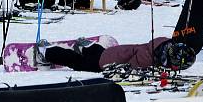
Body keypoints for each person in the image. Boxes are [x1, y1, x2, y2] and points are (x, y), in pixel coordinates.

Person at [39, 37, 194, 73]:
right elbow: (129, 69)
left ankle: (86, 46)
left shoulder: (162, 43)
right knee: (78, 62)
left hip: (114, 52)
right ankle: (47, 51)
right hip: (103, 63)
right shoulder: (146, 58)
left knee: (98, 52)